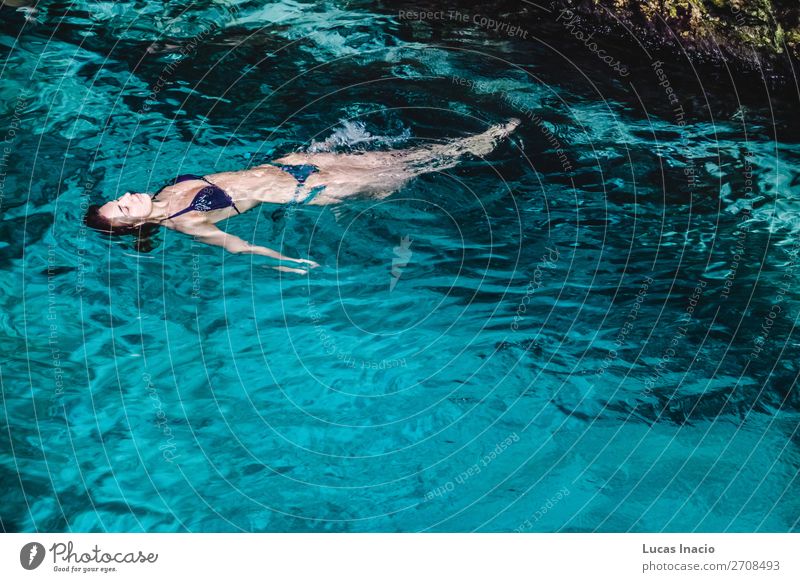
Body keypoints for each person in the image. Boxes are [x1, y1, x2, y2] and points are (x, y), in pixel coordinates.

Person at [85, 119, 520, 274]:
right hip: (309, 190)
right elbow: (239, 246)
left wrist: (300, 156)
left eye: (119, 196)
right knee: (409, 169)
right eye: (123, 206)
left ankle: (481, 141)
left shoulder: (166, 190)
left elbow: (239, 176)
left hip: (292, 166)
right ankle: (490, 141)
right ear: (135, 225)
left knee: (404, 155)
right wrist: (287, 262)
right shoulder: (186, 221)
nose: (126, 194)